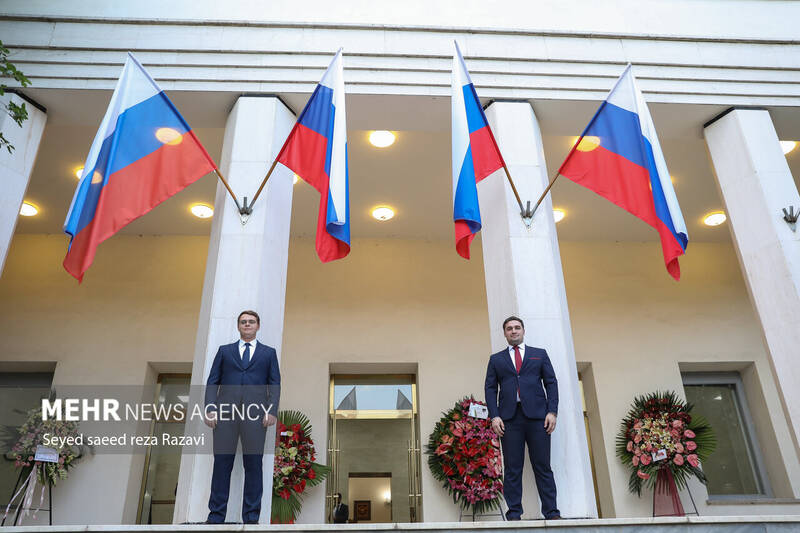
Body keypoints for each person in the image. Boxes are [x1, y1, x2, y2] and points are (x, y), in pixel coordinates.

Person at [204, 310, 281, 524]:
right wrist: (210, 408)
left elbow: (274, 384)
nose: (247, 325)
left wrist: (271, 410)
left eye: (251, 322)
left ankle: (251, 518)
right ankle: (216, 516)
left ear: (258, 326)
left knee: (254, 464)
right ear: (238, 326)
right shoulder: (224, 351)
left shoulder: (268, 353)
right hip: (225, 415)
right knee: (222, 464)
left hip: (256, 416)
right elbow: (213, 381)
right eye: (243, 322)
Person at [484, 316, 561, 520]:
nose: (514, 331)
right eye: (509, 328)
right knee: (512, 467)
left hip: (538, 418)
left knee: (542, 466)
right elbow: (490, 389)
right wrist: (494, 416)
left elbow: (551, 383)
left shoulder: (539, 354)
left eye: (517, 327)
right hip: (509, 419)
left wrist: (552, 412)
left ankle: (552, 512)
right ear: (505, 333)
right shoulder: (496, 359)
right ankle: (514, 514)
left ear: (523, 331)